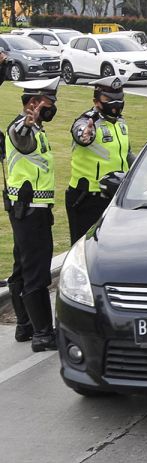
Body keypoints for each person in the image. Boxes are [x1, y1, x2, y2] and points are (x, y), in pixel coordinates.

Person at [3, 78, 60, 351]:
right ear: (33, 104)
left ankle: (25, 326)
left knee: (22, 266)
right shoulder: (22, 127)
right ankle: (43, 334)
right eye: (48, 103)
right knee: (37, 271)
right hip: (29, 212)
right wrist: (27, 123)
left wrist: (32, 125)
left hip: (28, 210)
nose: (52, 108)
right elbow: (19, 136)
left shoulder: (38, 130)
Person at [67, 76, 133, 243]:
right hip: (88, 197)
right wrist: (85, 134)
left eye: (120, 98)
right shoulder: (87, 121)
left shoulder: (121, 123)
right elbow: (81, 134)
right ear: (96, 101)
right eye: (109, 99)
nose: (116, 103)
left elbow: (126, 153)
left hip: (115, 196)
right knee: (85, 247)